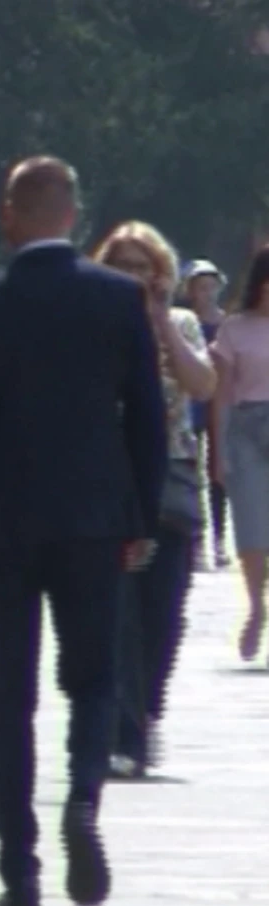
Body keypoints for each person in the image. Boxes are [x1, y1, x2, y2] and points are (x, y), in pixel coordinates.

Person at [0, 156, 167, 906]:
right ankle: (85, 797)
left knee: (10, 697)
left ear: (9, 215)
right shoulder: (119, 299)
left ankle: (20, 873)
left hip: (1, 528)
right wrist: (137, 516)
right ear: (73, 215)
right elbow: (147, 418)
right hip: (95, 522)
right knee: (96, 678)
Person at [91, 223, 216, 780]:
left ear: (162, 274)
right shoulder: (90, 323)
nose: (135, 277)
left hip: (171, 481)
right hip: (108, 485)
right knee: (116, 614)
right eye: (124, 265)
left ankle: (145, 713)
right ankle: (121, 734)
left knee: (163, 615)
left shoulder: (181, 323)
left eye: (145, 267)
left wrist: (162, 322)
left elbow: (204, 384)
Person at [210, 244, 269, 660]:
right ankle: (256, 605)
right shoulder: (234, 328)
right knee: (251, 524)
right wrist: (217, 451)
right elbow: (221, 394)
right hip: (246, 428)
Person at [184, 259, 231, 569]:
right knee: (190, 469)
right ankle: (196, 538)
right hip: (191, 401)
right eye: (201, 287)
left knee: (218, 472)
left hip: (220, 401)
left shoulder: (227, 323)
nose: (207, 293)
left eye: (211, 286)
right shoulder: (184, 323)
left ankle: (217, 537)